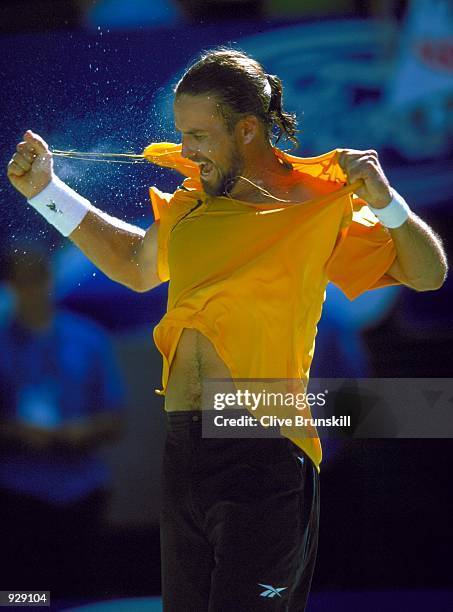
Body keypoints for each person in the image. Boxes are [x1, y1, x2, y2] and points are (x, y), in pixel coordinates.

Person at [7, 48, 447, 611]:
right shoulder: (191, 201)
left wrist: (387, 203)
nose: (186, 150)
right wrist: (46, 191)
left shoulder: (315, 203)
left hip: (262, 448)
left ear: (246, 129)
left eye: (198, 135)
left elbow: (428, 273)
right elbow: (136, 264)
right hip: (183, 448)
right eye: (181, 135)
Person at [0, 248, 125, 598]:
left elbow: (116, 419)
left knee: (81, 592)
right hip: (17, 495)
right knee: (20, 597)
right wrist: (16, 432)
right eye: (21, 281)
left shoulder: (88, 339)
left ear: (50, 279)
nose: (31, 289)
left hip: (80, 491)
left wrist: (84, 431)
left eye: (37, 278)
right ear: (8, 284)